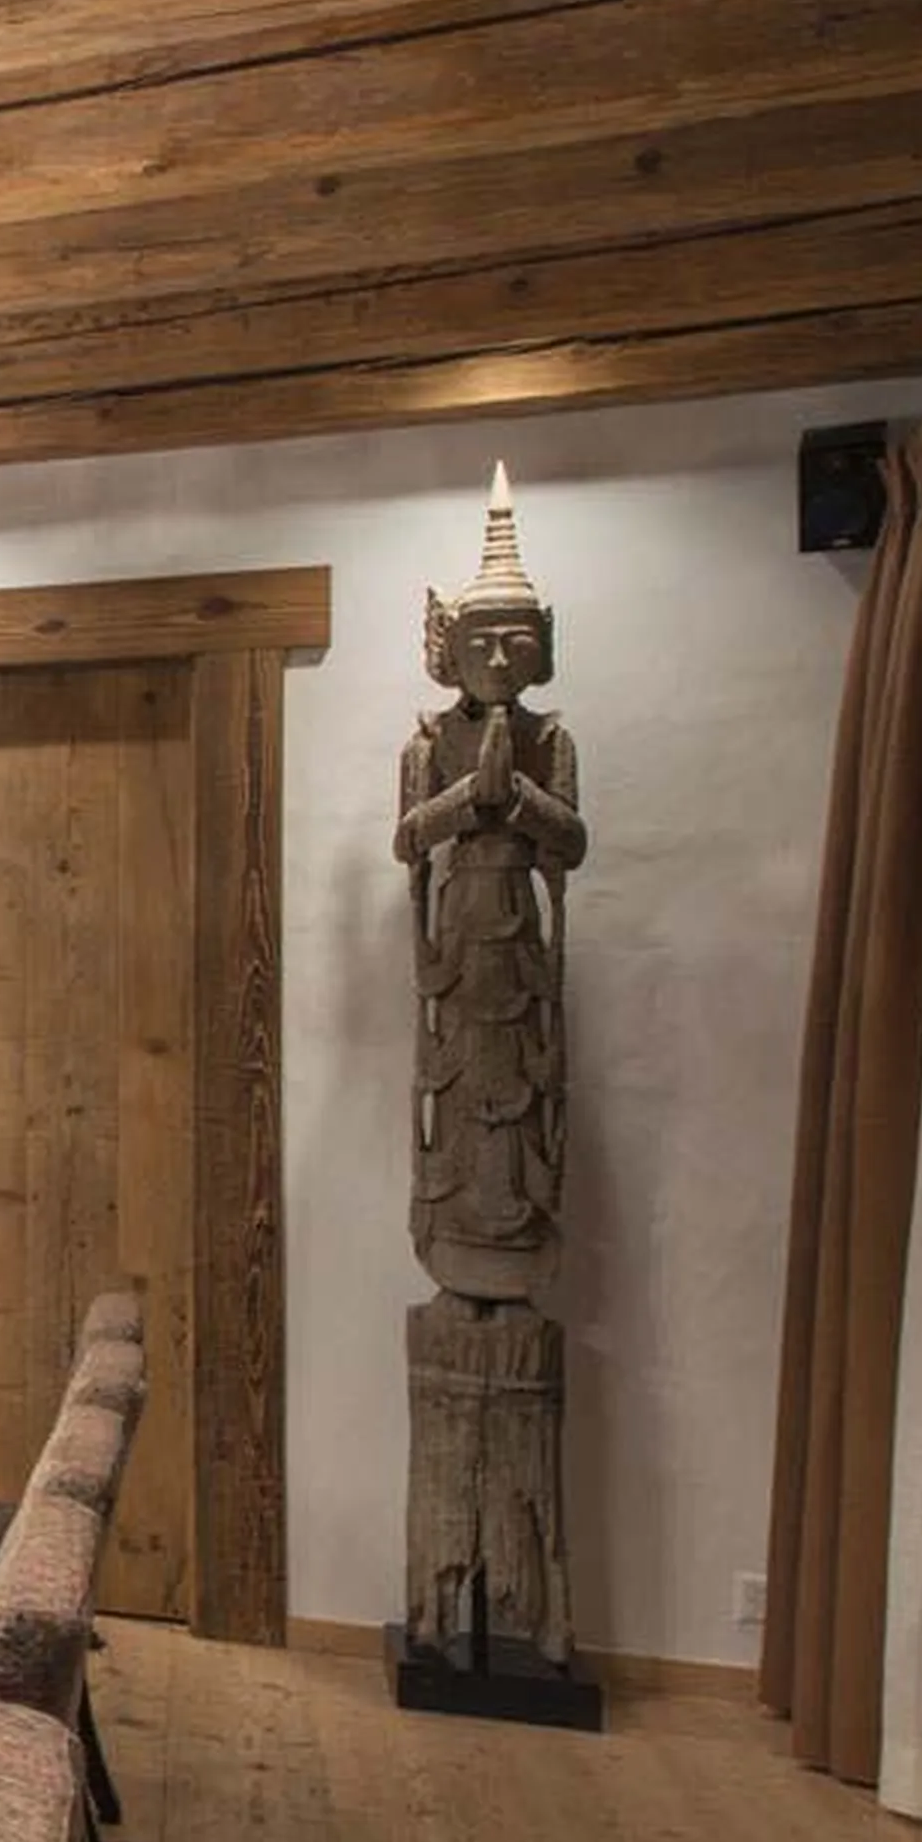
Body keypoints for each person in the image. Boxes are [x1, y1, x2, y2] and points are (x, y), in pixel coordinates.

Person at [395, 463, 588, 1307]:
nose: (500, 659)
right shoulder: (431, 740)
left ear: (541, 645)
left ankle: (517, 1234)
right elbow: (408, 837)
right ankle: (456, 1230)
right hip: (462, 927)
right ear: (451, 650)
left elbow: (572, 841)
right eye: (483, 644)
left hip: (519, 928)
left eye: (515, 642)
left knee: (519, 1087)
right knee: (460, 1088)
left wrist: (522, 800)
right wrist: (469, 795)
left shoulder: (551, 738)